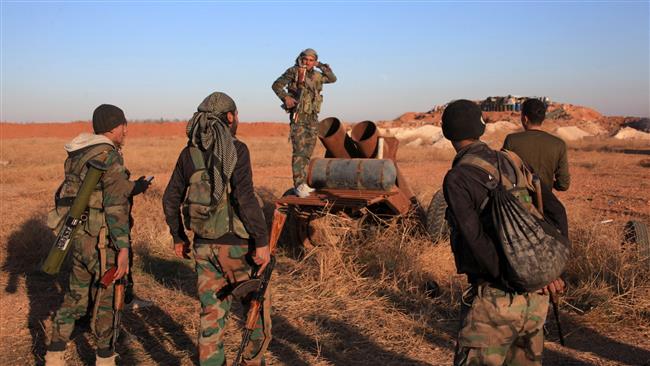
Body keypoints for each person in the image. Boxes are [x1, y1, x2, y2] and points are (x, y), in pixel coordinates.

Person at [441, 100, 568, 366]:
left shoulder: (458, 178)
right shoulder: (512, 160)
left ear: (446, 132)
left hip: (495, 304)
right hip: (536, 301)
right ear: (482, 128)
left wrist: (513, 279)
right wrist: (551, 271)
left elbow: (474, 240)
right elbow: (557, 212)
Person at [162, 92, 271, 366]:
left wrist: (178, 237)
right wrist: (261, 240)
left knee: (211, 314)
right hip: (238, 249)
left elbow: (170, 198)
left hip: (203, 246)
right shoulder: (237, 149)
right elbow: (244, 197)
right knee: (255, 312)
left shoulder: (189, 153)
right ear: (231, 117)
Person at [44, 104, 151, 366]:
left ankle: (54, 354)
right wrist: (123, 248)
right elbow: (114, 205)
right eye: (124, 125)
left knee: (76, 295)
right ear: (115, 127)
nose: (126, 130)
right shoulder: (109, 156)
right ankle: (105, 358)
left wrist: (134, 186)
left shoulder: (79, 152)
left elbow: (97, 192)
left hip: (78, 236)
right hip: (102, 240)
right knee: (107, 298)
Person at [272, 48, 337, 197]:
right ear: (301, 59)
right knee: (299, 152)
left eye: (311, 60)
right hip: (299, 117)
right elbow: (276, 85)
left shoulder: (317, 75)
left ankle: (304, 183)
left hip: (312, 118)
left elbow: (333, 79)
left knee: (307, 152)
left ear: (314, 61)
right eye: (305, 59)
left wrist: (321, 65)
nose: (307, 62)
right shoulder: (294, 71)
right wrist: (286, 98)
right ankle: (299, 185)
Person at [503, 98, 570, 191]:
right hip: (545, 200)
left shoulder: (511, 140)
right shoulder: (559, 144)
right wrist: (548, 183)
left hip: (518, 201)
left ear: (525, 119)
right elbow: (563, 184)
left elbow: (504, 175)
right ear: (542, 118)